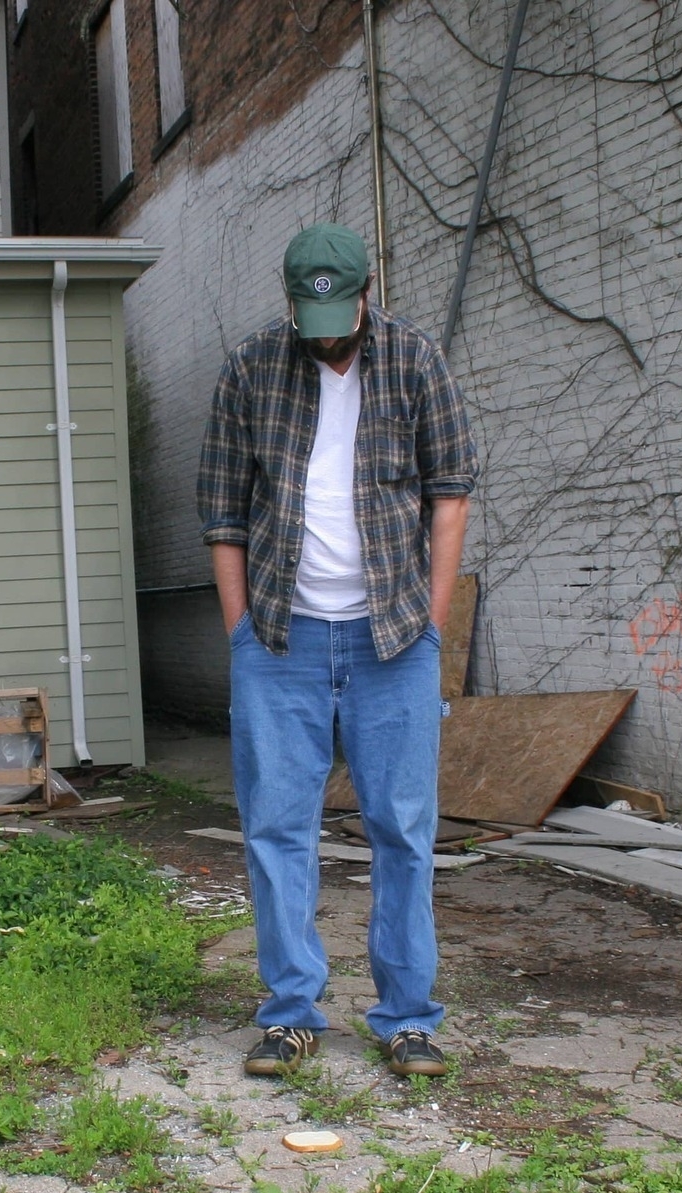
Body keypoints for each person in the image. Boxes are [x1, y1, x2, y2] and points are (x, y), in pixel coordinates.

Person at [197, 222, 476, 1079]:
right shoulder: (250, 367)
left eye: (338, 314)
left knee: (402, 829)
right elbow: (221, 511)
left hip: (390, 638)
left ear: (365, 292)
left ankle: (405, 1017)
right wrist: (241, 630)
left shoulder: (416, 362)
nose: (326, 335)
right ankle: (290, 1012)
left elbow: (450, 496)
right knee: (277, 828)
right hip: (281, 638)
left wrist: (428, 621)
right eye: (307, 318)